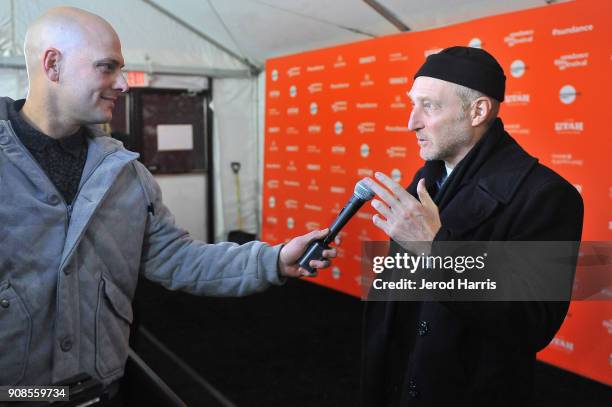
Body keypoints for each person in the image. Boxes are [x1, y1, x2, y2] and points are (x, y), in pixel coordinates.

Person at [0, 6, 336, 397]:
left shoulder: (125, 173)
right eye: (107, 67)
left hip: (102, 390)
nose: (123, 83)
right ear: (53, 65)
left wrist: (273, 259)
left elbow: (178, 258)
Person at [361, 47, 583, 406]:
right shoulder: (426, 178)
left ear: (478, 110)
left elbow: (531, 322)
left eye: (428, 106)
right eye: (412, 103)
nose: (411, 121)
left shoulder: (547, 195)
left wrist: (435, 248)